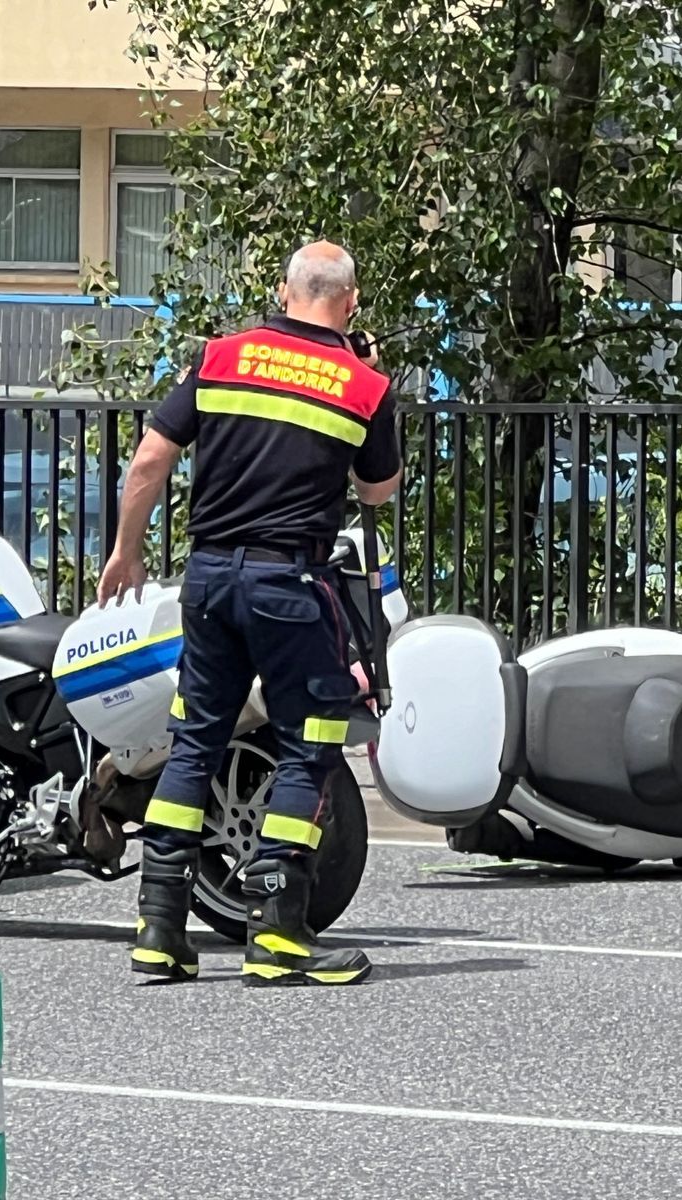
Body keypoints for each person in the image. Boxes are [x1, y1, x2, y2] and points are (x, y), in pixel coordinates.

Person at [99, 240, 402, 987]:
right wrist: (363, 370)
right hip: (290, 586)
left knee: (195, 740)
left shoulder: (221, 356)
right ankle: (278, 932)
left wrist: (126, 551)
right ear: (351, 301)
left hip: (207, 580)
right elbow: (377, 493)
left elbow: (148, 461)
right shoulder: (363, 385)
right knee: (311, 743)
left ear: (281, 289)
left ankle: (161, 929)